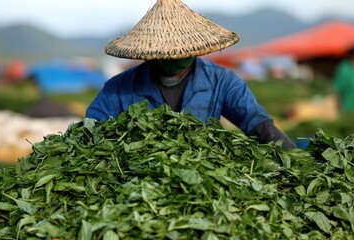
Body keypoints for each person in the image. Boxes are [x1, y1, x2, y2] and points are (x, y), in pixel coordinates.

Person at [86, 0, 296, 149]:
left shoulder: (220, 81)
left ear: (195, 50)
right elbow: (91, 130)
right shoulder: (118, 88)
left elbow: (257, 123)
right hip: (140, 181)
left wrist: (295, 160)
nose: (172, 58)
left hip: (202, 177)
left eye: (179, 52)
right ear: (149, 52)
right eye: (165, 54)